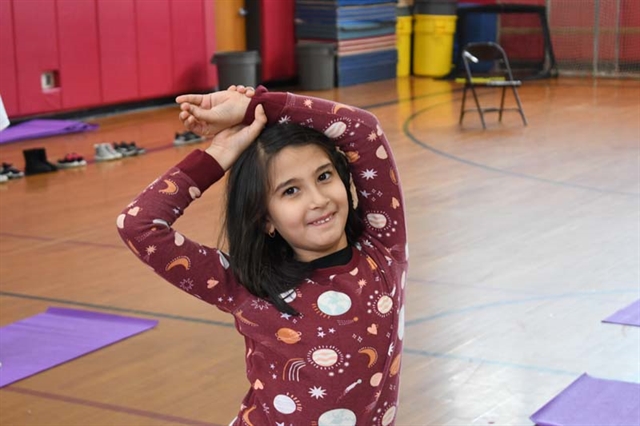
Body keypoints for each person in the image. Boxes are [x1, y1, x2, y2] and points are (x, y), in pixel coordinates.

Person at [117, 85, 408, 425]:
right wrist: (220, 154)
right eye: (291, 190)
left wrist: (254, 107)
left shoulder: (384, 250)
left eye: (324, 176)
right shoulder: (246, 285)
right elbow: (138, 224)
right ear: (265, 218)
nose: (317, 199)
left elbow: (364, 129)